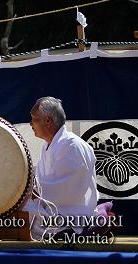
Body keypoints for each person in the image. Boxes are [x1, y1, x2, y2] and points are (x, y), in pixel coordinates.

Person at [25, 96, 106, 239]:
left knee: (21, 212)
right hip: (55, 207)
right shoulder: (48, 146)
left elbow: (68, 189)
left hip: (71, 214)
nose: (31, 124)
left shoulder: (72, 145)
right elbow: (45, 183)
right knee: (16, 207)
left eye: (34, 119)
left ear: (48, 121)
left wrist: (31, 190)